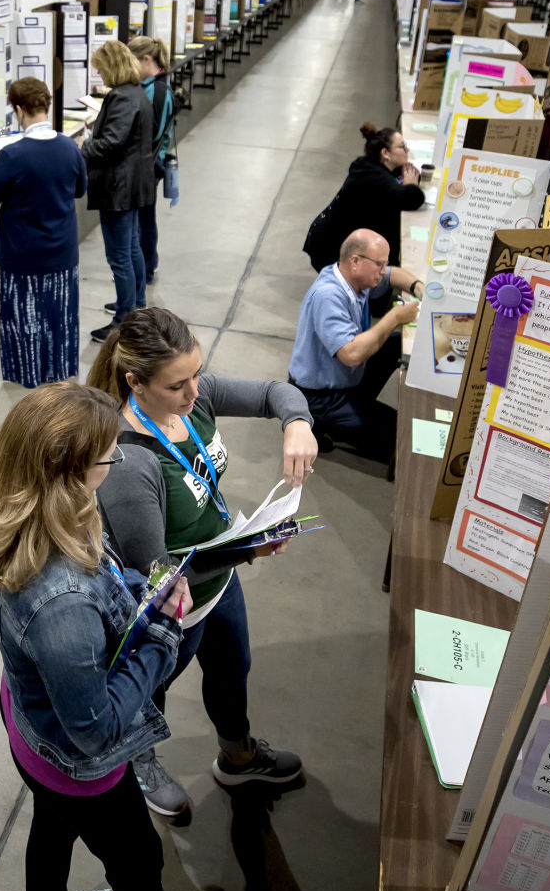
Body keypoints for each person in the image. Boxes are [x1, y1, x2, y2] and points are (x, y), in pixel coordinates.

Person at [0, 382, 189, 891]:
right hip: (75, 764)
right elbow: (94, 730)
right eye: (109, 458)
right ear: (69, 473)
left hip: (30, 723)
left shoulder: (35, 511)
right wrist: (161, 636)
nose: (117, 464)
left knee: (53, 827)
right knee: (140, 861)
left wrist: (140, 589)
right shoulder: (59, 600)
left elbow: (105, 574)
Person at [88, 308, 316, 821]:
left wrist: (297, 423)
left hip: (220, 580)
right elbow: (161, 578)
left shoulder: (194, 396)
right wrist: (245, 550)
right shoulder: (129, 462)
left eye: (196, 374)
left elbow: (272, 393)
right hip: (173, 610)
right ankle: (140, 763)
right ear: (136, 383)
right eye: (177, 385)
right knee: (151, 694)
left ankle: (238, 756)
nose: (194, 393)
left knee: (233, 670)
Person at [0, 77, 87, 387]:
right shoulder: (69, 147)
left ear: (18, 110)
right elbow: (80, 190)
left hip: (22, 253)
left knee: (23, 318)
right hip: (62, 251)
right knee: (60, 317)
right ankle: (59, 371)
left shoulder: (13, 154)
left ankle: (27, 372)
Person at [289, 229, 420, 461]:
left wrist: (417, 286)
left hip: (345, 377)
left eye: (384, 263)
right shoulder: (328, 296)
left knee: (395, 343)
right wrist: (394, 318)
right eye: (379, 265)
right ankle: (318, 422)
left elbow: (393, 275)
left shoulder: (354, 277)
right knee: (405, 436)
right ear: (356, 261)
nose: (383, 271)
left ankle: (361, 410)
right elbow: (351, 355)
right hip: (320, 397)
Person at [81, 40, 158, 342]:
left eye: (100, 70)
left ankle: (124, 319)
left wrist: (85, 146)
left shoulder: (122, 98)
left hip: (118, 188)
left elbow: (111, 142)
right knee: (131, 248)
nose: (100, 76)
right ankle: (135, 304)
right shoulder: (135, 92)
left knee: (119, 255)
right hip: (133, 183)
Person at [302, 121, 424, 273]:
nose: (407, 150)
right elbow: (413, 198)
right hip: (330, 248)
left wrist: (408, 180)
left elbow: (398, 182)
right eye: (402, 147)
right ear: (385, 153)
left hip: (326, 236)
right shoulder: (375, 179)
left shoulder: (368, 165)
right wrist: (411, 184)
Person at [128, 35, 177, 281]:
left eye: (132, 62)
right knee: (144, 217)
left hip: (148, 164)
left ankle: (145, 268)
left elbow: (152, 133)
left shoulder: (158, 91)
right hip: (144, 162)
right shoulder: (149, 86)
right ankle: (148, 262)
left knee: (143, 219)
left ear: (146, 59)